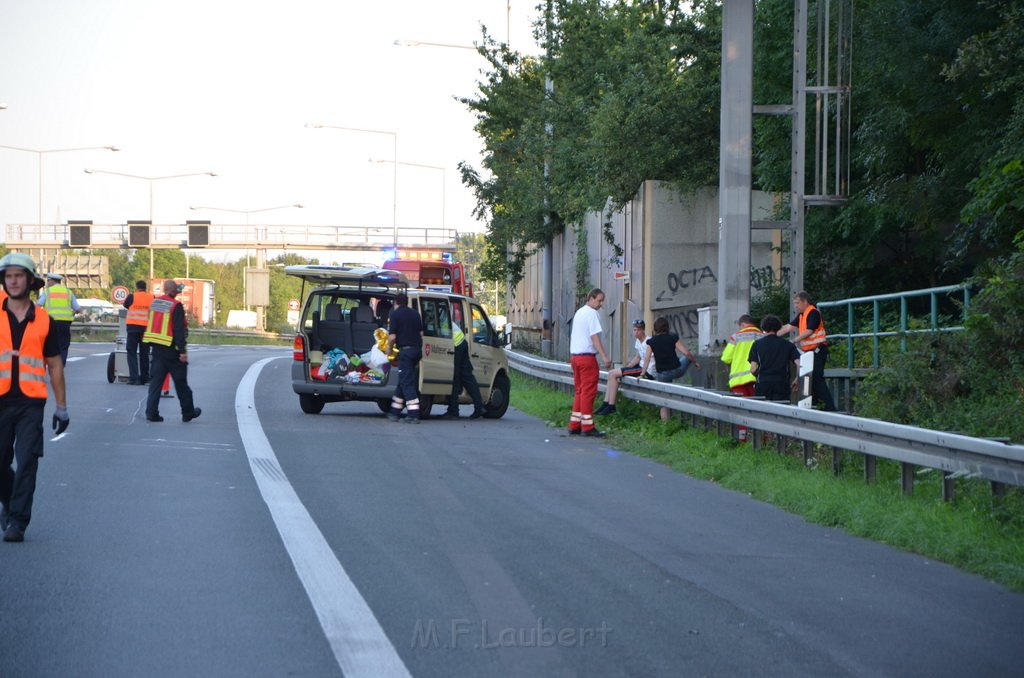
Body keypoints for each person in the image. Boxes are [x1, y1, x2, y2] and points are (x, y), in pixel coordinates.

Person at [0, 253, 69, 543]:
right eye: (8, 276)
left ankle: (18, 521)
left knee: (27, 460)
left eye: (19, 275)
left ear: (30, 280)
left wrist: (62, 407)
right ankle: (10, 499)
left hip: (30, 402)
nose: (13, 281)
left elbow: (54, 364)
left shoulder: (44, 321)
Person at [143, 280, 201, 423]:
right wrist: (182, 351)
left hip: (157, 348)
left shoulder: (155, 303)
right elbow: (178, 330)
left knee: (156, 383)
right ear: (173, 290)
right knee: (181, 383)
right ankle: (188, 412)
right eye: (176, 290)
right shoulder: (176, 306)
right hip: (172, 350)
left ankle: (151, 413)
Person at [777, 291, 837, 411]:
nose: (796, 306)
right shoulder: (802, 315)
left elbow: (809, 330)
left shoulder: (813, 312)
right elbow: (789, 327)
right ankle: (818, 405)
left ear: (805, 301)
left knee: (816, 378)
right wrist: (772, 333)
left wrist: (794, 340)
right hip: (810, 352)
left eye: (797, 303)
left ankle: (830, 408)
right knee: (811, 379)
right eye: (795, 303)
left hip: (817, 350)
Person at [568, 288, 612, 437]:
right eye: (599, 300)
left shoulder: (579, 312)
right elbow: (594, 337)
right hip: (587, 358)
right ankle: (587, 427)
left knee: (579, 391)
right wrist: (605, 356)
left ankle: (574, 424)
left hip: (575, 357)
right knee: (588, 391)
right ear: (591, 298)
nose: (601, 304)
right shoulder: (592, 314)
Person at [642, 317, 701, 421]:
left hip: (662, 374)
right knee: (686, 358)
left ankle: (665, 424)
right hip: (676, 370)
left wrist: (642, 373)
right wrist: (694, 361)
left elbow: (646, 359)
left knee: (664, 399)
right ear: (667, 327)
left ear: (655, 328)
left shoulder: (651, 342)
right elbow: (686, 353)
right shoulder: (672, 337)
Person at [595, 318, 656, 416]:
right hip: (639, 367)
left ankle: (611, 405)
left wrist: (642, 373)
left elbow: (647, 360)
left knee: (613, 374)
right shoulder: (638, 341)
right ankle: (605, 403)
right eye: (634, 330)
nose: (636, 332)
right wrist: (627, 367)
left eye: (638, 330)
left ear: (643, 330)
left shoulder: (648, 341)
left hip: (646, 370)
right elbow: (637, 357)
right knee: (611, 373)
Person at [720, 314, 764, 440]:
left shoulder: (736, 337)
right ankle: (759, 439)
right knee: (757, 410)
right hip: (756, 378)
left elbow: (726, 358)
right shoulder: (762, 336)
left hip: (738, 381)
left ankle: (742, 439)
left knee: (741, 411)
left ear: (743, 324)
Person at [384, 292, 424, 424]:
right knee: (403, 380)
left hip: (406, 352)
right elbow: (421, 333)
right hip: (416, 351)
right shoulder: (415, 313)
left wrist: (388, 349)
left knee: (406, 383)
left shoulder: (395, 314)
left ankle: (413, 414)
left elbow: (392, 337)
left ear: (396, 303)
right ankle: (394, 412)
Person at [442, 301, 485, 420]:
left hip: (457, 346)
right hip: (461, 343)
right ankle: (479, 406)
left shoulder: (437, 320)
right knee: (467, 377)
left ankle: (453, 410)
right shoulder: (440, 318)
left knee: (455, 377)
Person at [748, 314, 801, 402]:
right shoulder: (788, 345)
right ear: (779, 327)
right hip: (782, 385)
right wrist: (797, 379)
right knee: (781, 411)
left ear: (763, 328)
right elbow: (799, 364)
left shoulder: (757, 344)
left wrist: (758, 375)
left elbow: (753, 369)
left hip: (763, 384)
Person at [36, 272, 80, 365]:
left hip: (50, 323)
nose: (47, 283)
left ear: (51, 281)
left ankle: (48, 363)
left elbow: (38, 305)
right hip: (65, 323)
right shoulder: (68, 292)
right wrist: (73, 312)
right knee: (63, 345)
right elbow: (77, 308)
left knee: (48, 344)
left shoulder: (48, 291)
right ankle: (60, 365)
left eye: (48, 281)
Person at [122, 280, 153, 385]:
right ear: (146, 288)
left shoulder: (131, 297)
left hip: (133, 327)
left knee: (132, 353)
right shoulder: (152, 298)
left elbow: (126, 305)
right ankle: (145, 378)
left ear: (137, 287)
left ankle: (134, 378)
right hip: (146, 329)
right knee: (144, 354)